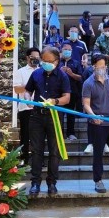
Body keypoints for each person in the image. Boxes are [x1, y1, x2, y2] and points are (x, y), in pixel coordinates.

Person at [25, 46, 71, 195]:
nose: (45, 63)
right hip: (37, 116)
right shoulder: (36, 73)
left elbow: (67, 98)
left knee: (54, 152)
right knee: (37, 151)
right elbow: (28, 90)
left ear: (56, 61)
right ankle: (35, 183)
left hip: (54, 117)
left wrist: (55, 101)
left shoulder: (63, 76)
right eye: (43, 60)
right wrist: (28, 100)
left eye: (48, 61)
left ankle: (52, 183)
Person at [82, 54, 109, 193]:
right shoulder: (88, 83)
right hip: (97, 123)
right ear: (93, 67)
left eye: (104, 66)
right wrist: (93, 116)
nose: (102, 69)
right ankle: (98, 180)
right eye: (99, 66)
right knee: (98, 153)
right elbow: (86, 105)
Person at [13, 47, 40, 167]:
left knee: (39, 135)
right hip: (25, 108)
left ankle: (39, 160)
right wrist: (30, 85)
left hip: (39, 107)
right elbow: (17, 89)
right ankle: (24, 158)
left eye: (37, 58)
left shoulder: (42, 71)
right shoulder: (20, 72)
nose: (35, 60)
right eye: (33, 57)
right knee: (25, 134)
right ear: (27, 58)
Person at [59, 43, 84, 140]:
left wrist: (71, 73)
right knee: (60, 113)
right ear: (61, 50)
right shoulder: (57, 63)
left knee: (70, 113)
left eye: (69, 50)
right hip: (59, 93)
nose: (67, 51)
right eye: (65, 49)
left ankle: (70, 133)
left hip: (72, 92)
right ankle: (59, 133)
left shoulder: (76, 63)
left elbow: (80, 78)